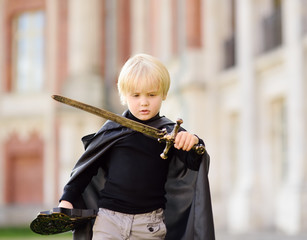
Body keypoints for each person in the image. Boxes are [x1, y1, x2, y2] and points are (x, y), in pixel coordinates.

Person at [58, 53, 215, 240]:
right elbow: (86, 169)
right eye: (136, 95)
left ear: (164, 94)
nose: (144, 102)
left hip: (149, 225)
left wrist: (193, 142)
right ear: (124, 95)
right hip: (109, 220)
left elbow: (193, 161)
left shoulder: (170, 133)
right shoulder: (113, 130)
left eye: (151, 94)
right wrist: (67, 199)